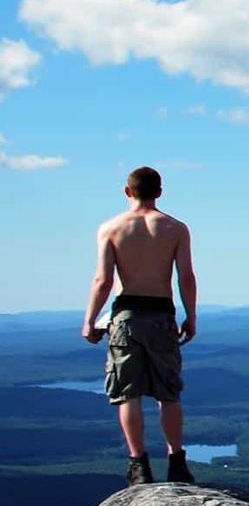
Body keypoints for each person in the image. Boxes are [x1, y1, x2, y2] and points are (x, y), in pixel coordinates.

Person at [82, 166, 198, 487]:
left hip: (126, 316)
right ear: (160, 191)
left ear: (127, 191)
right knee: (168, 393)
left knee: (127, 394)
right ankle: (177, 461)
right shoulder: (175, 229)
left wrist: (90, 320)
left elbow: (103, 280)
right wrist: (191, 316)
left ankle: (139, 465)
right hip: (162, 316)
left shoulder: (111, 228)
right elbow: (185, 277)